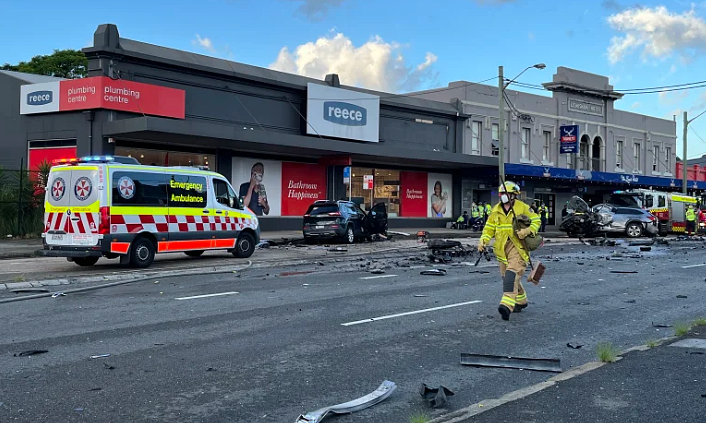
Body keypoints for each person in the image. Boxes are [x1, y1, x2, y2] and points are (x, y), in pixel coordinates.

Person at [477, 181, 541, 321]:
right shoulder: (496, 210)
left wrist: (527, 231)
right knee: (508, 278)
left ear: (513, 195)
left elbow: (536, 220)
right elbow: (489, 228)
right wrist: (483, 241)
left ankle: (506, 305)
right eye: (501, 194)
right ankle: (521, 300)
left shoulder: (522, 208)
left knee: (511, 276)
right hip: (501, 250)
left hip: (518, 248)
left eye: (506, 194)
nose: (503, 196)